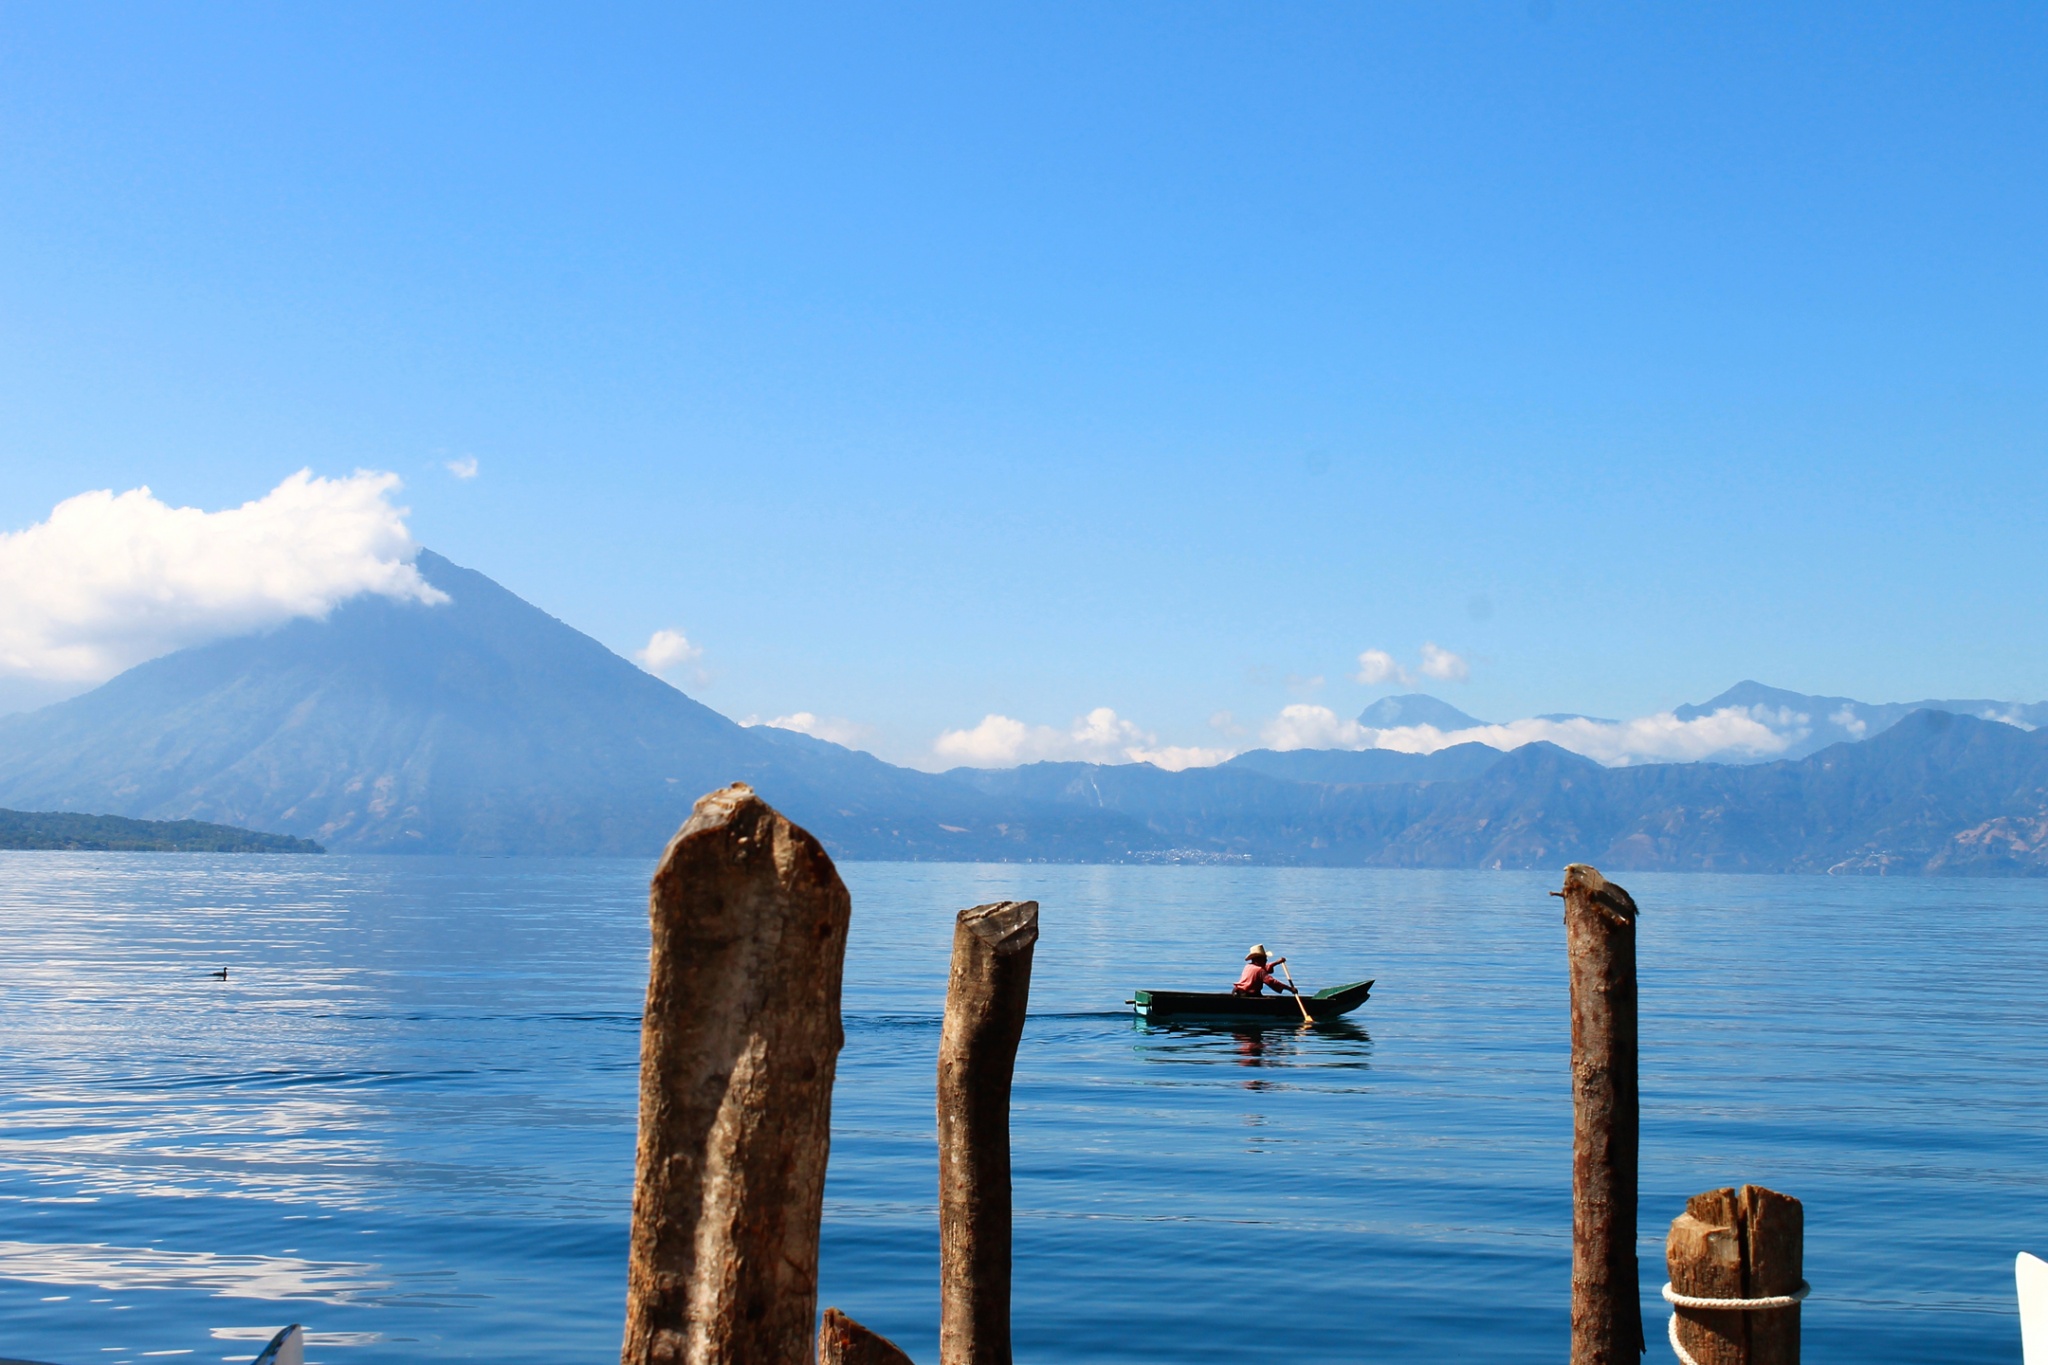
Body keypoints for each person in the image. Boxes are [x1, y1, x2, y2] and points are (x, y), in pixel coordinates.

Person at [1232, 944, 1297, 996]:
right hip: (1248, 994)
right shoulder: (1260, 970)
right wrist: (1290, 989)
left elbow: (1266, 968)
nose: (1266, 960)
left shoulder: (1248, 966)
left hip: (1237, 992)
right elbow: (1271, 982)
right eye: (1264, 958)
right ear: (1257, 959)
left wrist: (1277, 962)